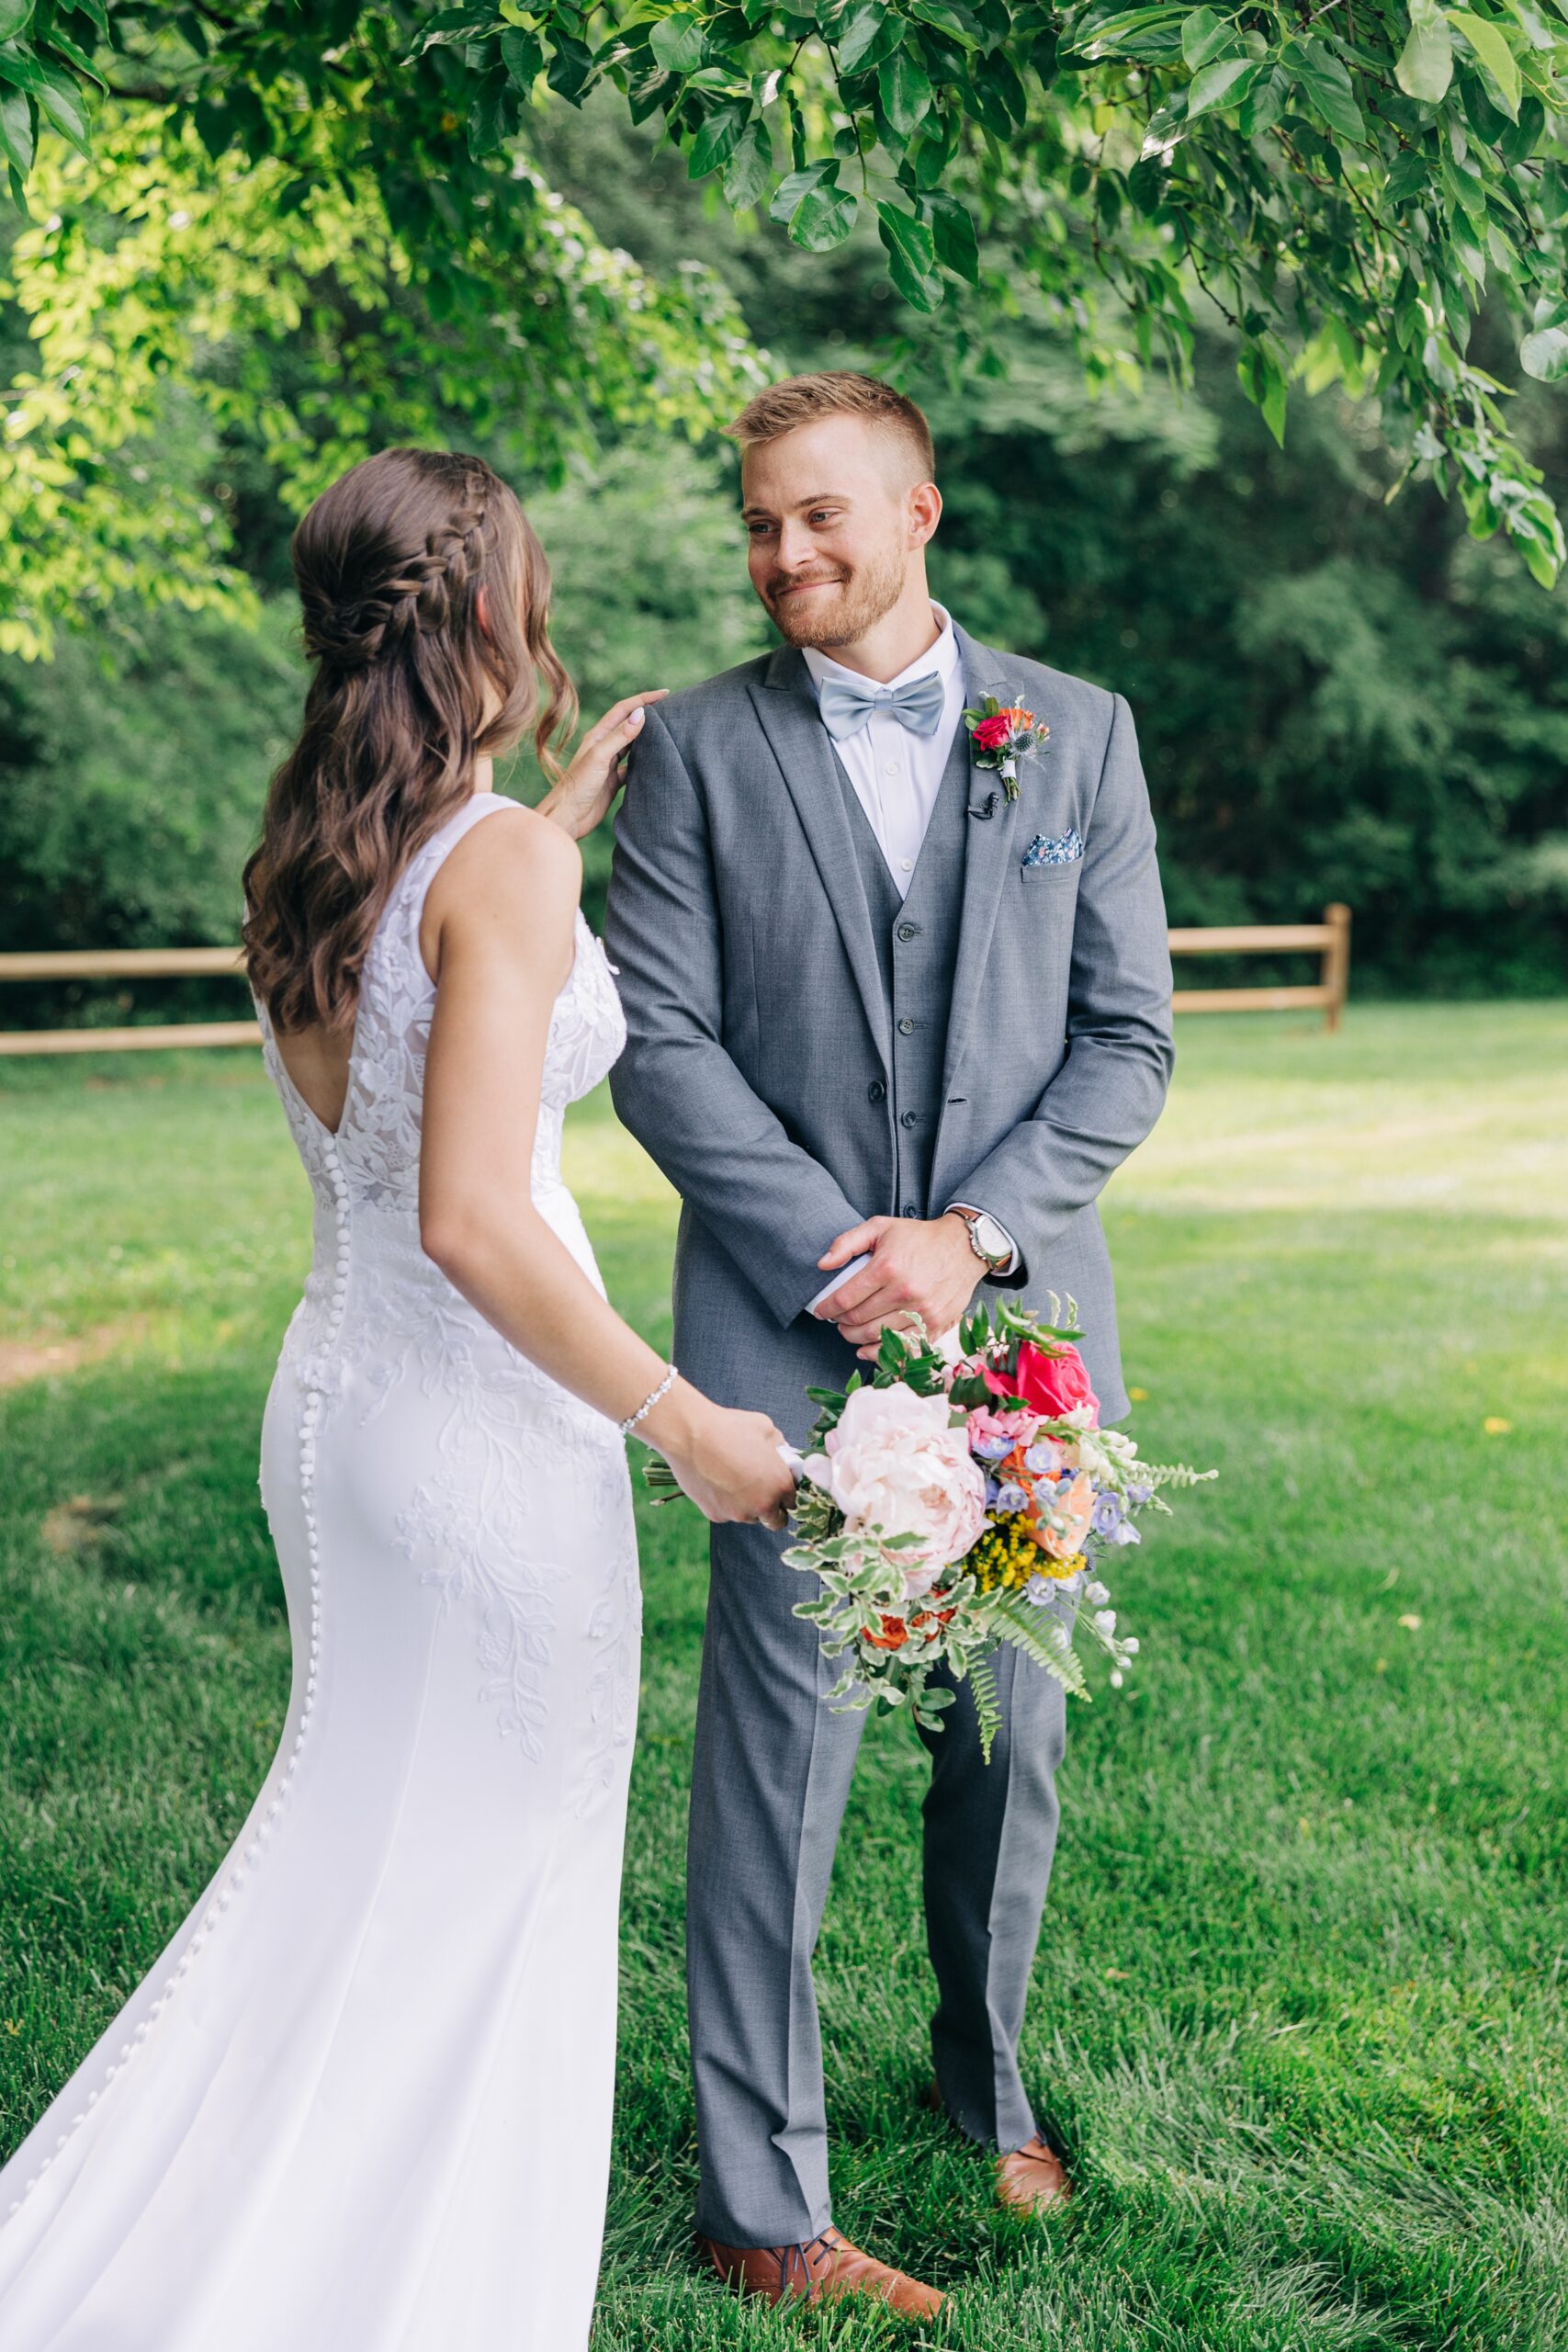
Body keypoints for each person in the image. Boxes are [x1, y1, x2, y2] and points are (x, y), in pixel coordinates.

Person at [0, 446, 795, 2351]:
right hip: (482, 1430)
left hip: (340, 1416)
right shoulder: (490, 862)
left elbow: (428, 1044)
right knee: (485, 1882)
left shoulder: (326, 846)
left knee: (361, 1854)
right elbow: (466, 1211)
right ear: (489, 611)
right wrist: (684, 1423)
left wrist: (545, 818)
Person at [606, 371, 1175, 2316]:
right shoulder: (690, 751)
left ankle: (982, 2074)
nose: (784, 556)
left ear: (919, 513)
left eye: (822, 518)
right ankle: (762, 2204)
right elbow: (658, 1046)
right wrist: (848, 1257)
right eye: (760, 522)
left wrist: (968, 1239)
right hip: (780, 1329)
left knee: (1002, 1740)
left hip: (1019, 1325)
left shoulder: (1073, 738)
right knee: (784, 1750)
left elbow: (1127, 1041)